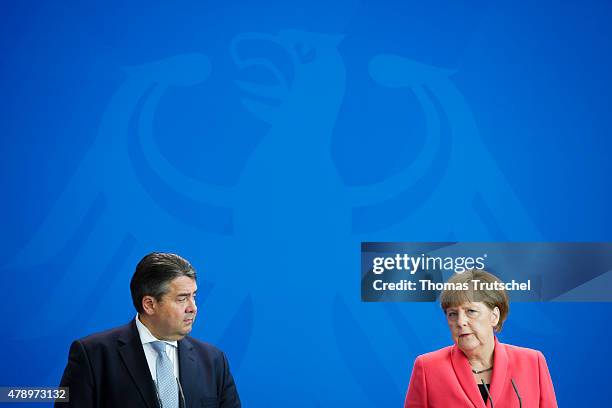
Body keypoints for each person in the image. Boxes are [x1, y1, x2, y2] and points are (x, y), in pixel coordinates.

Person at [57, 252, 241, 408]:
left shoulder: (214, 361)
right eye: (182, 298)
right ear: (150, 305)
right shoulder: (93, 355)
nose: (193, 308)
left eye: (194, 296)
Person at [404, 270, 557, 408]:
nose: (460, 322)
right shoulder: (427, 368)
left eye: (471, 311)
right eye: (452, 314)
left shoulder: (532, 362)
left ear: (494, 316)